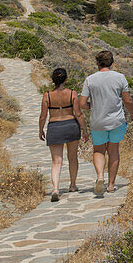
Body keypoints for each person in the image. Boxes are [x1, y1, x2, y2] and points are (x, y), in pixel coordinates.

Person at [79, 50, 133, 195]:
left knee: (98, 150)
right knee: (113, 151)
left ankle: (99, 177)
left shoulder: (90, 80)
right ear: (111, 63)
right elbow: (127, 100)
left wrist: (93, 106)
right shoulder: (120, 77)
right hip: (116, 121)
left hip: (98, 122)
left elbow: (82, 103)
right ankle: (111, 185)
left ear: (97, 63)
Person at [38, 67, 88, 202]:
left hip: (55, 127)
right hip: (71, 126)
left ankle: (55, 188)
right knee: (72, 157)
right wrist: (85, 129)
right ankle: (72, 185)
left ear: (53, 80)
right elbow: (78, 114)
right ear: (66, 79)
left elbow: (43, 116)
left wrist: (40, 129)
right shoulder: (72, 94)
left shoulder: (47, 95)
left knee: (56, 161)